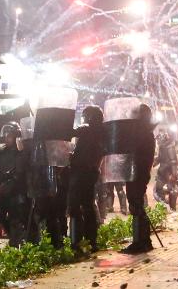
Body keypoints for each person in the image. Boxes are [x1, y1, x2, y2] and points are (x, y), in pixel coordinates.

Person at [120, 104, 156, 255]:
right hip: (139, 172)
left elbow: (133, 152)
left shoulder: (141, 133)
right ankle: (145, 241)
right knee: (137, 204)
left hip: (137, 172)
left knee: (136, 205)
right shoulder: (147, 132)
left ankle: (138, 242)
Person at [68, 106, 105, 251]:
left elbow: (69, 132)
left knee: (75, 206)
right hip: (93, 172)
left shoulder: (86, 129)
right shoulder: (103, 131)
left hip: (80, 172)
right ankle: (91, 241)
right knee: (88, 205)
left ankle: (76, 241)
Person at [0, 123, 28, 247]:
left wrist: (6, 186)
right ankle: (14, 236)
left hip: (15, 191)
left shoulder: (21, 153)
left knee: (15, 218)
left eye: (9, 136)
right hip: (1, 191)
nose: (7, 138)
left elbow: (21, 174)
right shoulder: (0, 153)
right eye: (5, 136)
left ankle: (15, 242)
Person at [153, 130, 178, 211]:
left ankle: (173, 208)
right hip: (162, 172)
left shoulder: (170, 147)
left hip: (169, 172)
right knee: (158, 190)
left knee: (172, 191)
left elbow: (173, 161)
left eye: (158, 140)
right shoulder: (162, 148)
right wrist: (153, 163)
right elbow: (160, 158)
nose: (157, 142)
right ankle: (163, 207)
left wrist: (174, 174)